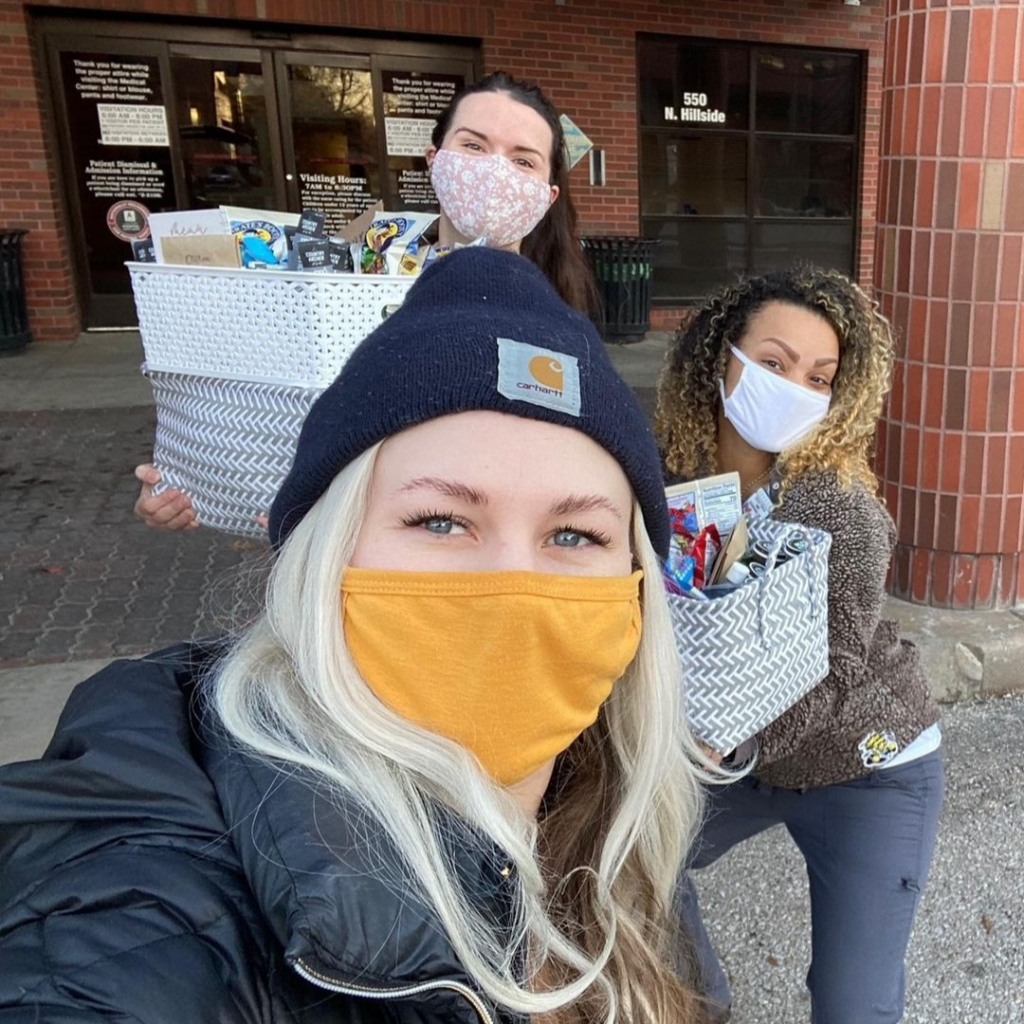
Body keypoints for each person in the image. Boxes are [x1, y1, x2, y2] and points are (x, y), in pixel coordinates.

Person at [0, 248, 710, 1024]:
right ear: (327, 553)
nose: (511, 583)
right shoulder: (162, 879)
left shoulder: (622, 827)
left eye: (574, 535)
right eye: (440, 520)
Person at [655, 266, 943, 1024]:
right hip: (746, 755)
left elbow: (839, 670)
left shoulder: (837, 505)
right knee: (628, 858)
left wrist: (720, 745)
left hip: (867, 762)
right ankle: (700, 1003)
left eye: (820, 378)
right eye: (775, 363)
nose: (794, 390)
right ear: (724, 357)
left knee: (852, 1004)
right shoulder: (672, 477)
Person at [135, 71, 597, 533]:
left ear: (547, 193)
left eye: (523, 161)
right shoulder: (355, 285)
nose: (495, 171)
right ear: (434, 161)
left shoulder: (557, 329)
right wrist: (194, 483)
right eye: (474, 146)